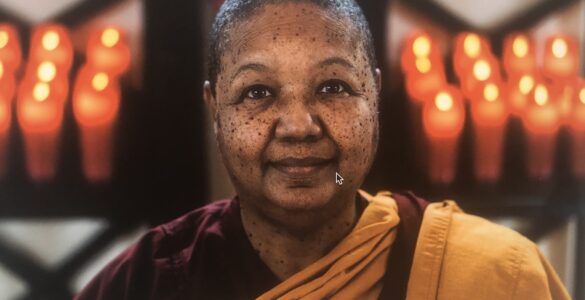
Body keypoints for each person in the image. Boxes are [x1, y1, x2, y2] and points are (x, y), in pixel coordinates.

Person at [75, 0, 571, 299]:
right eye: (258, 93)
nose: (299, 127)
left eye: (333, 87)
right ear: (214, 108)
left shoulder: (496, 276)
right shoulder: (142, 288)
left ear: (373, 96)